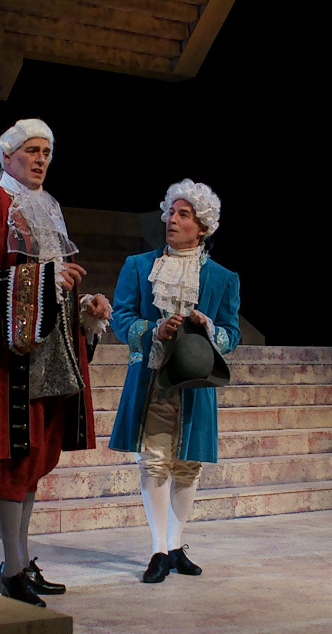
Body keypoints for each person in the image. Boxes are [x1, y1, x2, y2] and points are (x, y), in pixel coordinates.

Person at [0, 118, 111, 607]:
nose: (41, 159)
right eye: (32, 150)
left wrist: (83, 309)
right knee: (11, 462)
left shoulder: (47, 208)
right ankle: (12, 568)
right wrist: (46, 281)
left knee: (36, 459)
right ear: (7, 156)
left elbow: (51, 287)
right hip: (3, 354)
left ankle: (19, 562)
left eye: (47, 151)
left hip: (49, 354)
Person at [109, 179, 240, 583]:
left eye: (184, 215)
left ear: (202, 227)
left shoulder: (223, 278)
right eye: (171, 212)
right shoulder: (138, 265)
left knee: (188, 465)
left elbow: (232, 334)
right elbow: (121, 317)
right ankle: (158, 550)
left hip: (195, 382)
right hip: (151, 378)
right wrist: (155, 330)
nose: (173, 220)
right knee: (154, 460)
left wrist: (208, 327)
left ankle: (176, 544)